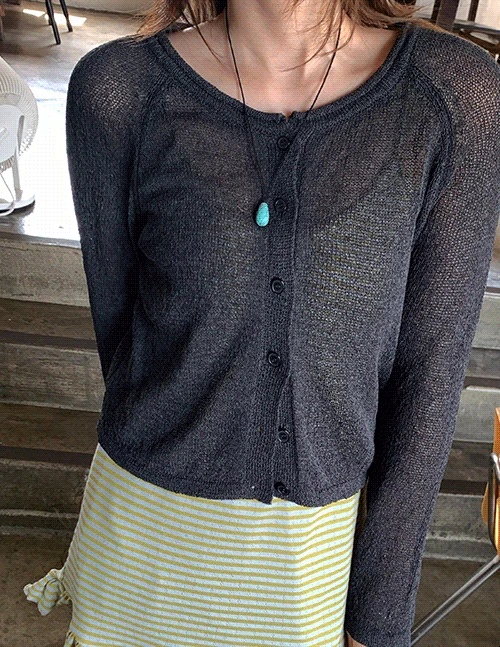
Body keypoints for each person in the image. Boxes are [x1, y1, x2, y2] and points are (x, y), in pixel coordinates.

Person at [23, 1, 500, 646]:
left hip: (309, 563)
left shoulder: (452, 96)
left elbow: (431, 380)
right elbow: (124, 343)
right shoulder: (120, 89)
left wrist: (379, 618)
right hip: (139, 544)